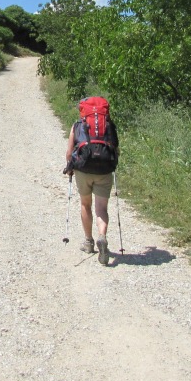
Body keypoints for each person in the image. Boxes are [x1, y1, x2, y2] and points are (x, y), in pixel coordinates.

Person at [64, 111, 118, 266]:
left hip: (83, 169)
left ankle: (88, 242)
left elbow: (69, 153)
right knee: (101, 208)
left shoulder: (77, 125)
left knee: (85, 204)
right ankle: (102, 235)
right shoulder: (109, 126)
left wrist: (70, 167)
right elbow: (116, 149)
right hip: (104, 170)